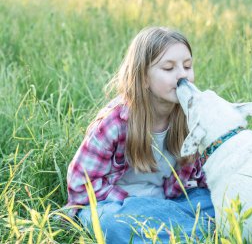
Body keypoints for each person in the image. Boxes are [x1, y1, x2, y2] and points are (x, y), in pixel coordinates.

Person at [65, 26, 215, 243]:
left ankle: (173, 231)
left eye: (187, 66)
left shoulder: (190, 117)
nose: (182, 74)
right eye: (168, 68)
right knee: (111, 224)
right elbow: (81, 183)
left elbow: (200, 176)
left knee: (220, 201)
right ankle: (195, 232)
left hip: (170, 200)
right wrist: (138, 205)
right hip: (114, 205)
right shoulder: (115, 121)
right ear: (143, 77)